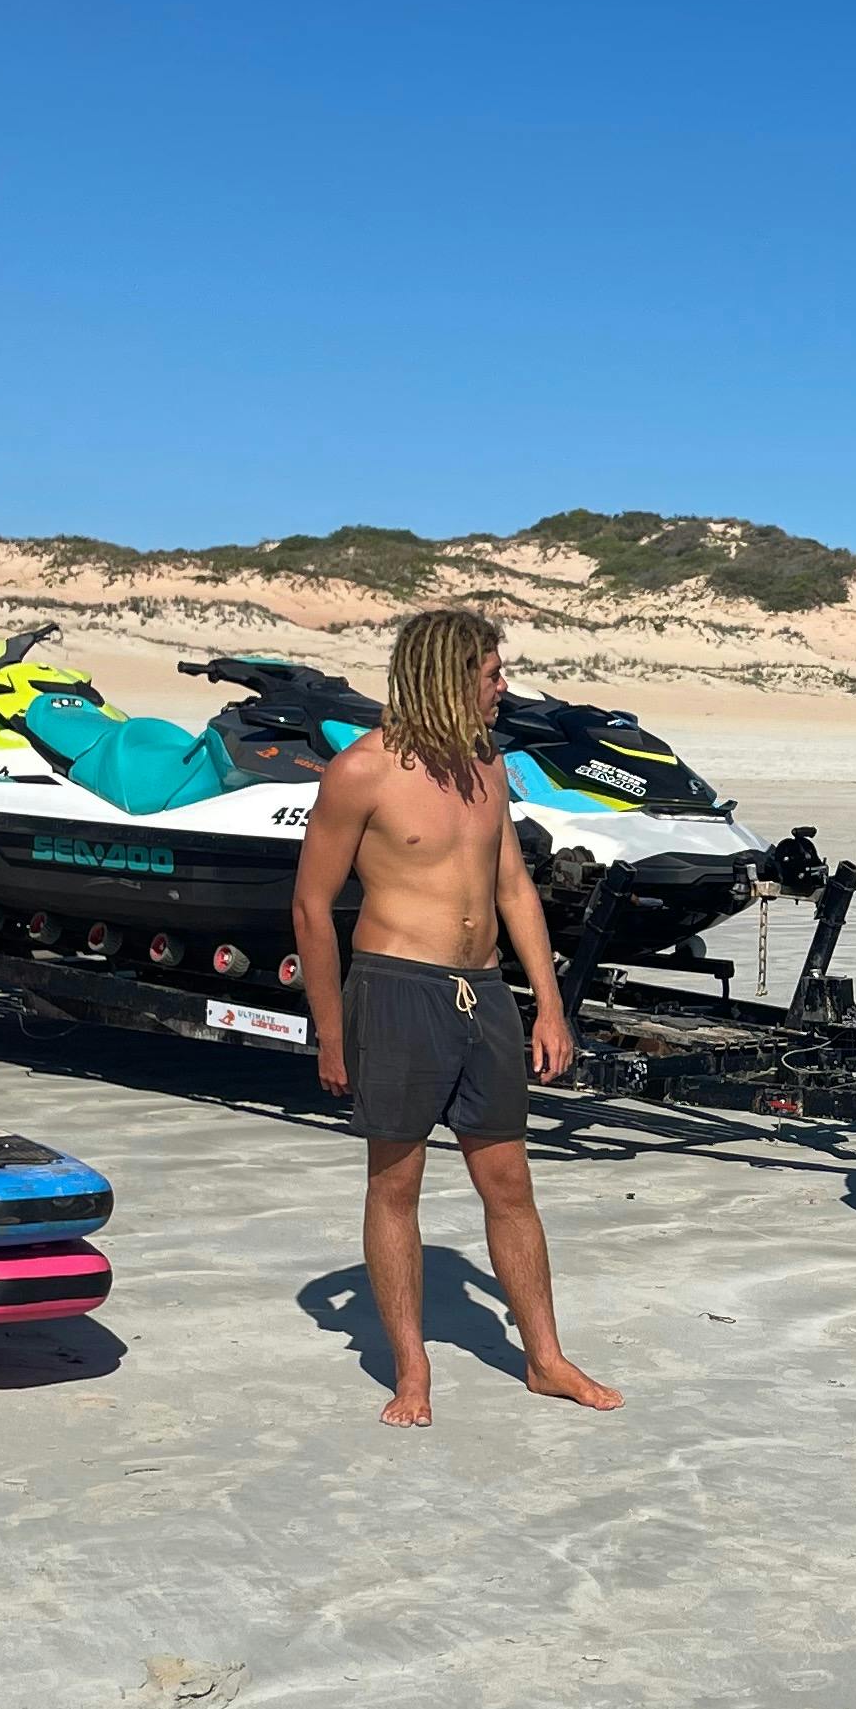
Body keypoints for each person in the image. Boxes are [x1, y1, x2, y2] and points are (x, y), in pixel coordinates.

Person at [290, 606, 622, 1424]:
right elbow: (310, 905)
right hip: (399, 990)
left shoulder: (489, 767)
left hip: (484, 995)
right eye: (491, 674)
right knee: (396, 1181)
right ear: (448, 676)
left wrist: (549, 1005)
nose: (503, 688)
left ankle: (544, 1358)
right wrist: (331, 1032)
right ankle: (412, 1371)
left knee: (509, 1182)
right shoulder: (362, 772)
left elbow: (512, 887)